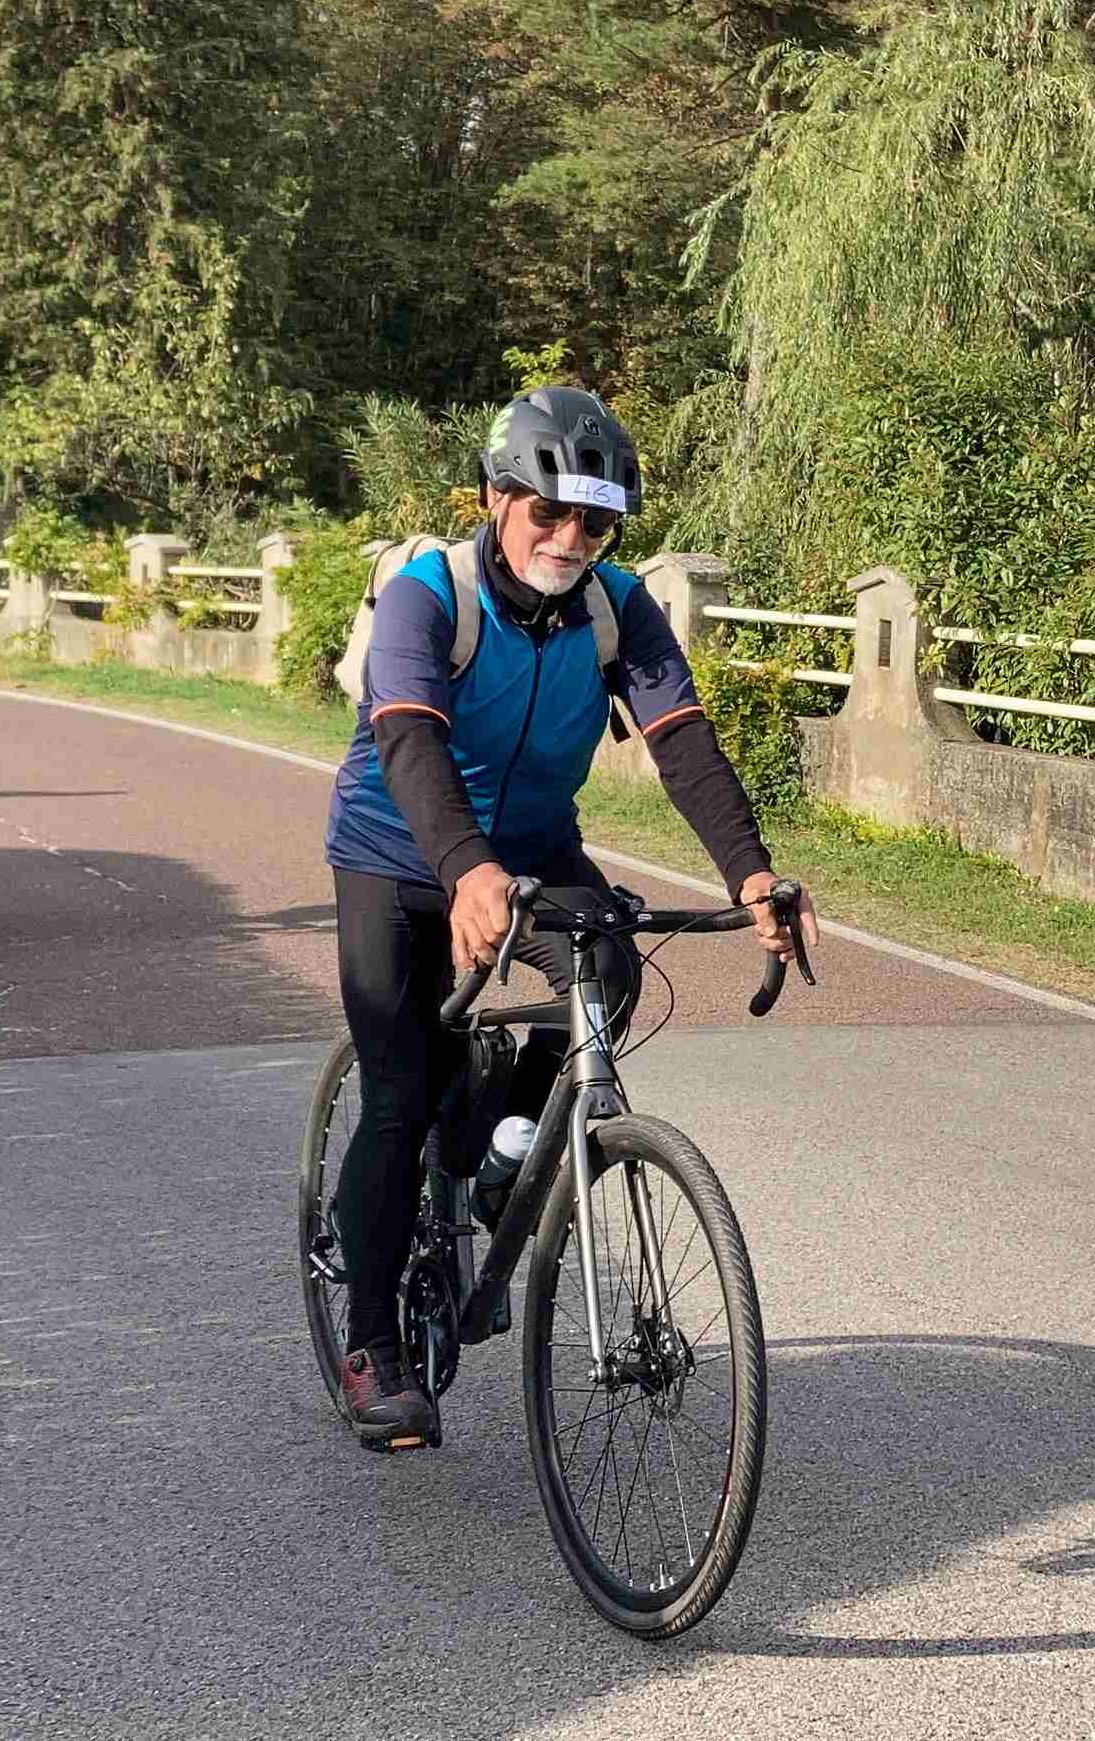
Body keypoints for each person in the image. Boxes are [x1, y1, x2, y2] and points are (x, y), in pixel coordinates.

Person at [323, 384, 818, 1452]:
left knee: (612, 972)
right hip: (396, 853)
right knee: (403, 1095)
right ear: (496, 500)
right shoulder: (428, 593)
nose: (569, 539)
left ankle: (506, 1144)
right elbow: (406, 735)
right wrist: (465, 870)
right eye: (548, 512)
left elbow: (681, 739)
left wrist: (750, 875)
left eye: (595, 523)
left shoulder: (616, 606)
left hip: (537, 847)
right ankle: (373, 1348)